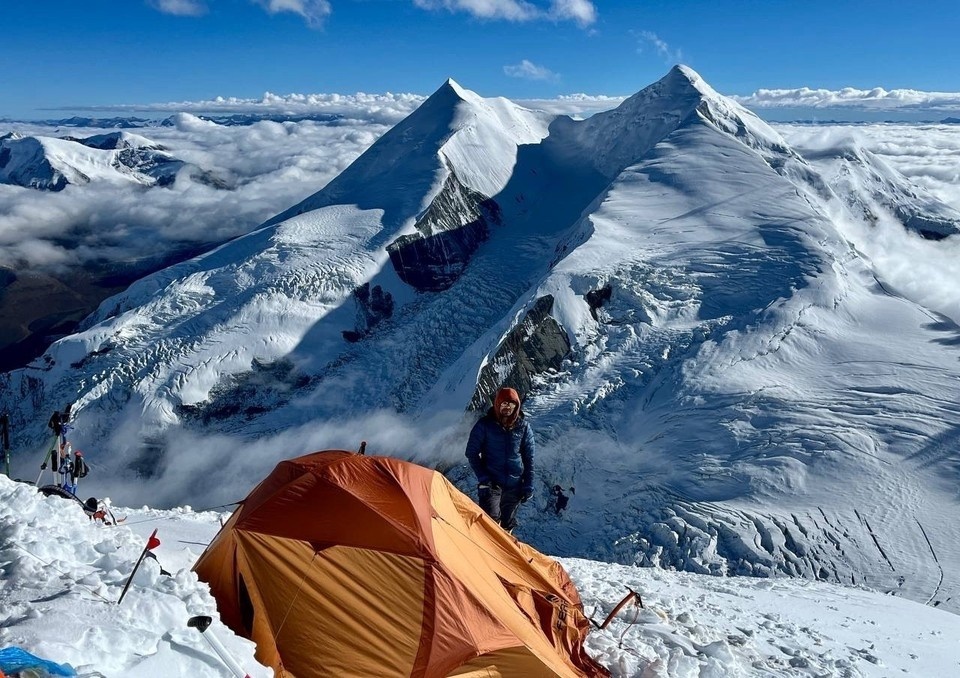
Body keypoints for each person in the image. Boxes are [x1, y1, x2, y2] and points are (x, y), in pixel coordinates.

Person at [465, 387, 535, 531]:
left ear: (517, 406)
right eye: (504, 403)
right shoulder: (484, 425)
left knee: (507, 524)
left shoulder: (523, 427)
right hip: (491, 484)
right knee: (491, 522)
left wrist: (528, 484)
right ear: (497, 404)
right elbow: (471, 452)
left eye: (511, 404)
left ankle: (501, 553)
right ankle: (486, 552)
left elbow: (529, 458)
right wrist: (484, 478)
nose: (507, 407)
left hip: (515, 485)